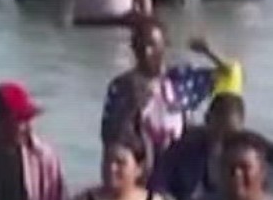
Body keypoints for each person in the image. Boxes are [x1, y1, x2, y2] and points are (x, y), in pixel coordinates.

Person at [101, 22, 238, 157]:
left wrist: (209, 52)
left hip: (179, 159)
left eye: (151, 45)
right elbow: (109, 133)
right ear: (132, 48)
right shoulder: (122, 86)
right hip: (140, 163)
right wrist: (134, 107)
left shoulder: (179, 79)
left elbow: (228, 73)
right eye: (139, 46)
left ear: (164, 45)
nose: (146, 52)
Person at [153, 92, 248, 200]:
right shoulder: (182, 149)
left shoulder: (250, 158)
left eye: (230, 133)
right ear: (207, 119)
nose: (223, 140)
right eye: (218, 131)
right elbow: (158, 185)